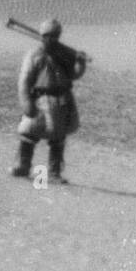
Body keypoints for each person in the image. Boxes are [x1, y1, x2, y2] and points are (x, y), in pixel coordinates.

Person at [10, 18, 86, 183]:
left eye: (55, 36)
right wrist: (26, 103)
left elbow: (74, 75)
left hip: (61, 100)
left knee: (58, 138)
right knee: (29, 133)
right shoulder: (34, 55)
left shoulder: (65, 55)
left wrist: (80, 64)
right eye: (48, 36)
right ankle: (22, 166)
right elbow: (24, 81)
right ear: (43, 36)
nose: (52, 39)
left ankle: (54, 173)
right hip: (39, 100)